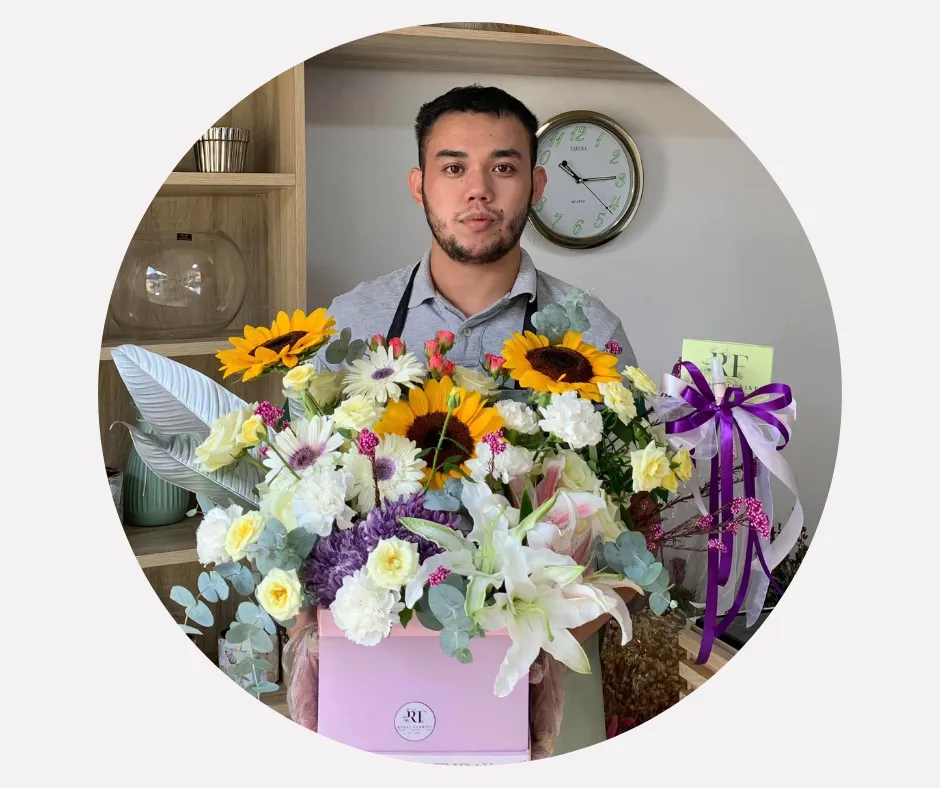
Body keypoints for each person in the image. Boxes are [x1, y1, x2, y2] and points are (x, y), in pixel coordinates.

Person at [299, 84, 639, 756]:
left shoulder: (592, 335)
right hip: (376, 675)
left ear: (536, 184)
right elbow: (299, 501)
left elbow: (635, 526)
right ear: (419, 185)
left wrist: (540, 644)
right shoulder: (351, 324)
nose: (478, 190)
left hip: (544, 679)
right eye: (453, 167)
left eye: (503, 167)